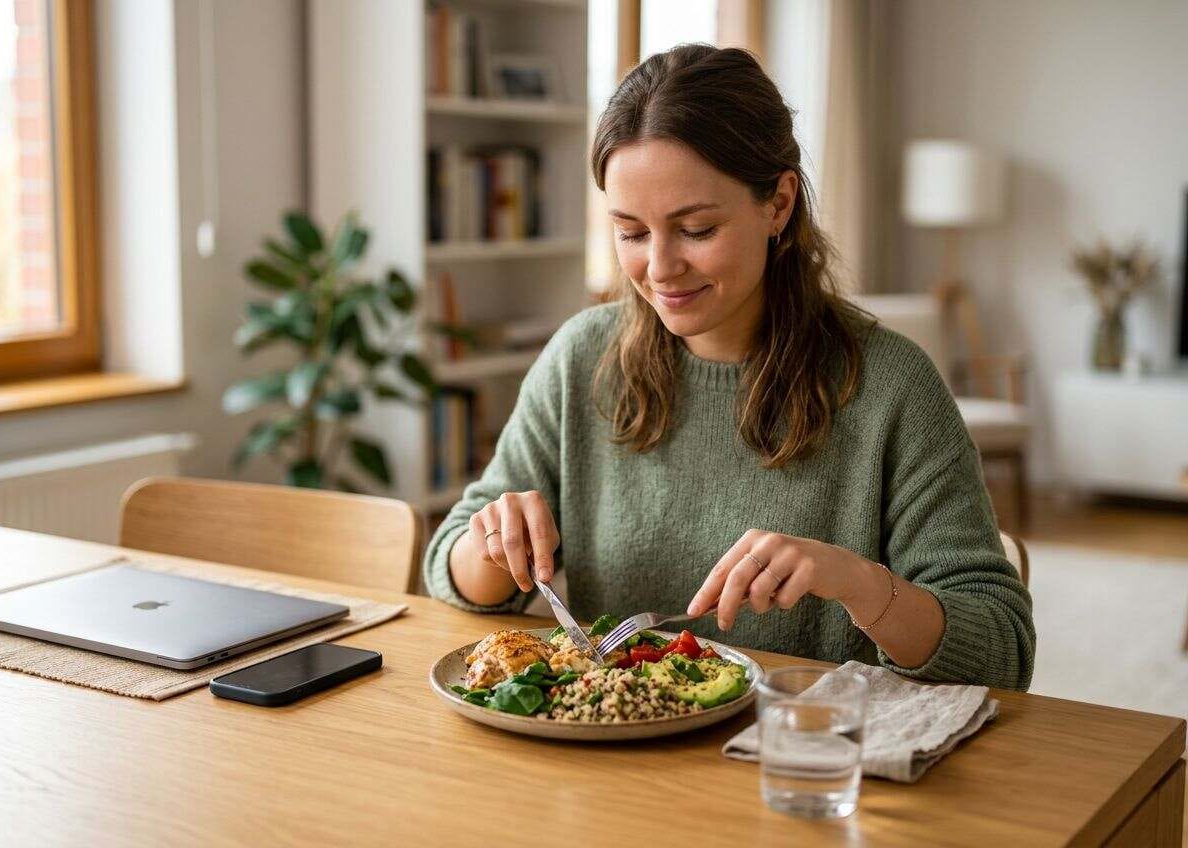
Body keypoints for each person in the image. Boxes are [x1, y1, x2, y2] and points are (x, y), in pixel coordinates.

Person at [422, 44, 1034, 690]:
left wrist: (854, 581)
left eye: (695, 229)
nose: (659, 268)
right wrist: (493, 544)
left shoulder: (891, 386)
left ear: (778, 203)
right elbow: (451, 570)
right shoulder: (582, 360)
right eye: (631, 233)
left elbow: (1001, 648)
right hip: (613, 766)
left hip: (800, 761)